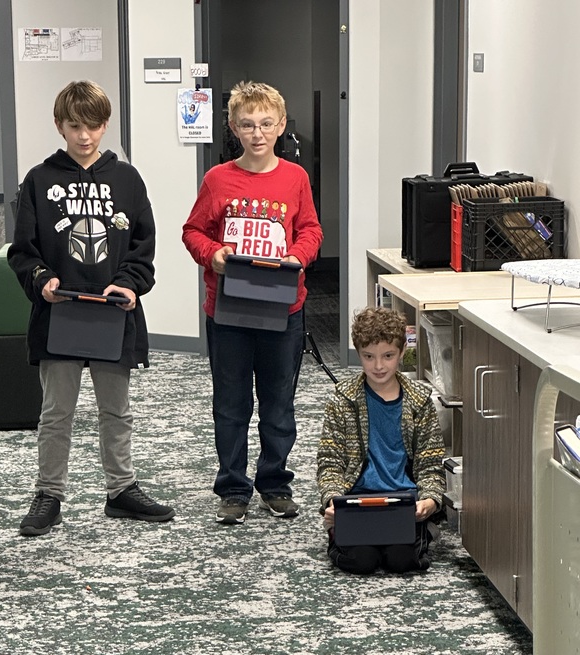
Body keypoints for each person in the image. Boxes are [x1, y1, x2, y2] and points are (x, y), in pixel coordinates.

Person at [8, 80, 174, 537]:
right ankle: (49, 494)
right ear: (60, 125)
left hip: (111, 314)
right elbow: (22, 251)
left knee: (116, 410)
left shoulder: (127, 179)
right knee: (56, 412)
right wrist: (41, 280)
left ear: (105, 126)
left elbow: (144, 245)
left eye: (94, 126)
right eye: (75, 126)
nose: (84, 136)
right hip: (59, 313)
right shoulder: (40, 180)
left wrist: (130, 284)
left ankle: (121, 489)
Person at [182, 81, 322, 525]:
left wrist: (298, 256)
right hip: (229, 309)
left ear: (281, 125)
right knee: (231, 402)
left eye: (266, 124)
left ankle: (275, 483)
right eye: (247, 124)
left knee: (279, 402)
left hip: (283, 306)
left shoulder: (295, 178)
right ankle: (233, 488)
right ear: (233, 128)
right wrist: (213, 255)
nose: (257, 133)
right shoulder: (217, 179)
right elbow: (193, 231)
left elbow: (311, 231)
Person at [317, 306, 446, 574]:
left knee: (400, 561)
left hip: (402, 502)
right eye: (368, 356)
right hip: (357, 502)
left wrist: (430, 501)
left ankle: (419, 533)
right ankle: (337, 537)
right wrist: (332, 501)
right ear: (359, 354)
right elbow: (330, 461)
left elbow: (430, 462)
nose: (378, 366)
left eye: (387, 356)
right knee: (362, 562)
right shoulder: (343, 398)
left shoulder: (419, 401)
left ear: (401, 353)